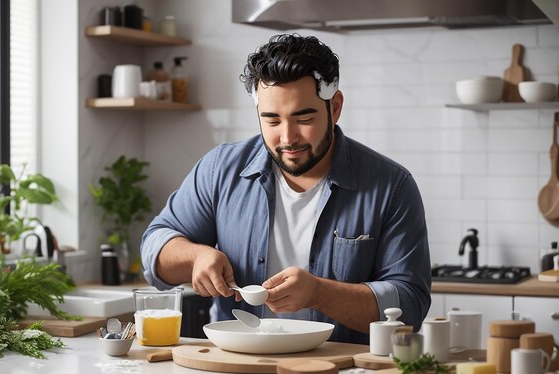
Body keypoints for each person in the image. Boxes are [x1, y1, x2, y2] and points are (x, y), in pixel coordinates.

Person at [141, 33, 431, 344]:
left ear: (335, 106)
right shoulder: (220, 169)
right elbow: (154, 250)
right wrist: (195, 256)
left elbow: (409, 305)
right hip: (237, 367)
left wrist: (321, 293)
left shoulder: (392, 186)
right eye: (272, 121)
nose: (288, 138)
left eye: (303, 118)